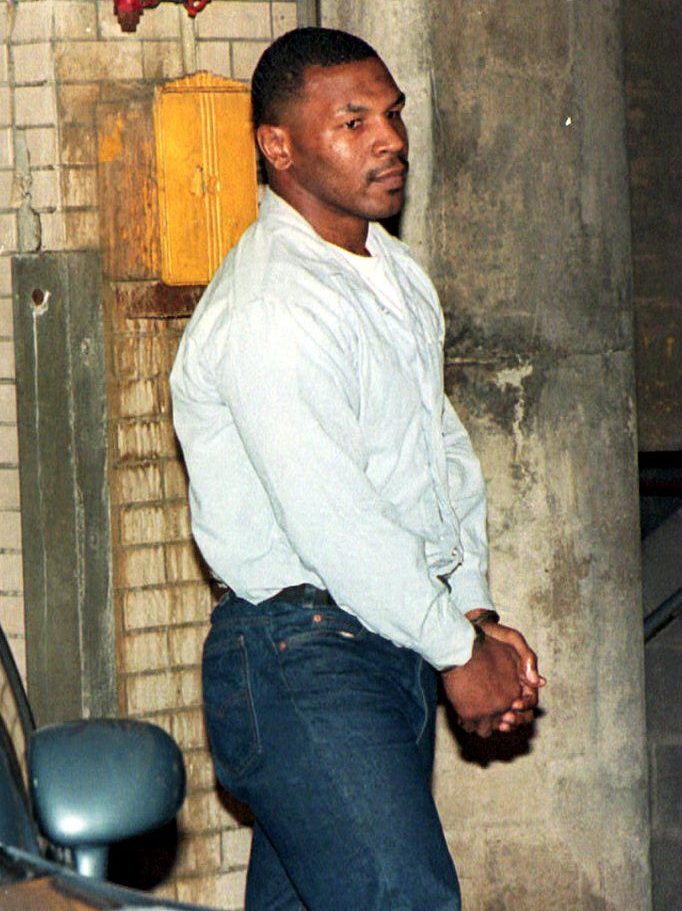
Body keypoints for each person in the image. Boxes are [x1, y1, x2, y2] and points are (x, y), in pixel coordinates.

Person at [170, 27, 545, 911]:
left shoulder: (394, 273)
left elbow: (436, 451)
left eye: (392, 113)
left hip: (386, 640)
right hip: (301, 656)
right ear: (279, 146)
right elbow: (334, 518)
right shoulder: (272, 307)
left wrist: (472, 609)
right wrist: (459, 650)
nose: (390, 138)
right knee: (401, 898)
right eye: (353, 121)